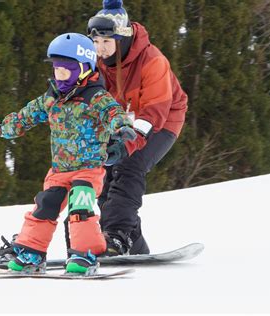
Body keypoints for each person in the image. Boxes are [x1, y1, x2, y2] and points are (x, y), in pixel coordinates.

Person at [0, 33, 136, 275]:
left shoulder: (95, 97)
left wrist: (122, 127)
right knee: (44, 207)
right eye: (56, 70)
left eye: (65, 71)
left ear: (83, 69)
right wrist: (2, 129)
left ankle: (86, 255)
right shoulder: (52, 98)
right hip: (59, 170)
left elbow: (113, 112)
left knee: (80, 206)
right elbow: (26, 116)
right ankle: (31, 253)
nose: (59, 77)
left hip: (88, 167)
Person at [83, 0, 189, 256]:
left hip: (161, 120)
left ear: (124, 38)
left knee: (130, 165)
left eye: (107, 42)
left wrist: (128, 143)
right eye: (95, 42)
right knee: (105, 181)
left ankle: (116, 235)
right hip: (121, 122)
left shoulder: (153, 62)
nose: (100, 49)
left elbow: (155, 111)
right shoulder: (97, 63)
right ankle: (136, 246)